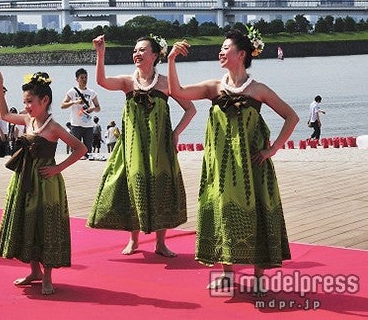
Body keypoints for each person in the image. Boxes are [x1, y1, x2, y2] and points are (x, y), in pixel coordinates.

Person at [167, 28, 298, 295]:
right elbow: (176, 90)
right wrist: (171, 60)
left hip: (253, 167)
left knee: (257, 214)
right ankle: (227, 275)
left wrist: (272, 149)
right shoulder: (214, 87)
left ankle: (259, 278)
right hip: (222, 168)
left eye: (226, 48)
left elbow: (291, 117)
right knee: (223, 213)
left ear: (241, 54)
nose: (221, 51)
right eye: (221, 47)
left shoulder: (259, 89)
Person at [87, 34, 196, 257]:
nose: (137, 53)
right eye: (135, 50)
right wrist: (100, 53)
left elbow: (190, 109)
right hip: (132, 146)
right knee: (132, 186)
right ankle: (133, 240)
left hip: (159, 147)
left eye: (142, 50)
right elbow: (102, 82)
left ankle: (160, 243)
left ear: (155, 55)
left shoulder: (166, 83)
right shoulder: (129, 81)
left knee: (160, 188)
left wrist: (176, 133)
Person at [0, 68, 87, 295]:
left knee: (46, 225)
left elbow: (81, 148)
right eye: (25, 102)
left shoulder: (53, 127)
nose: (26, 106)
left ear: (45, 100)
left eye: (30, 102)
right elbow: (4, 115)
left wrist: (57, 169)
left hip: (46, 181)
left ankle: (47, 277)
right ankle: (34, 271)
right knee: (29, 223)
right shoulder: (27, 119)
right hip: (25, 178)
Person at [60, 68, 100, 157]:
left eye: (86, 77)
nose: (84, 80)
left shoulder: (92, 92)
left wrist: (92, 109)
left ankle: (88, 168)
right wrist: (75, 102)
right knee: (76, 150)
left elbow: (98, 108)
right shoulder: (72, 91)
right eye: (82, 78)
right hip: (76, 124)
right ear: (77, 79)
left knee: (88, 151)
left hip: (88, 124)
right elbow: (62, 105)